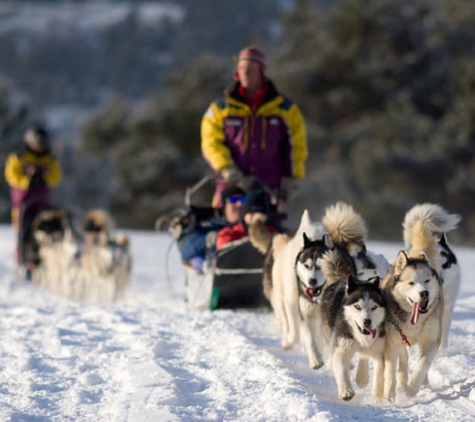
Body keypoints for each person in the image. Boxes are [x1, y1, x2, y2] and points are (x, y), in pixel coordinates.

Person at [201, 45, 308, 208]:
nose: (245, 72)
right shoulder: (220, 108)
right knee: (226, 232)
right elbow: (210, 143)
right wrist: (227, 169)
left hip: (268, 190)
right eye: (242, 67)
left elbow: (296, 146)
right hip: (231, 189)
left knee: (266, 232)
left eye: (250, 68)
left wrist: (294, 178)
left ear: (262, 72)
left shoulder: (285, 109)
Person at [4, 124, 63, 268]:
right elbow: (11, 175)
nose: (40, 148)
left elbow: (56, 176)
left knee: (48, 228)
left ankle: (46, 261)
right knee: (24, 230)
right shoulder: (19, 156)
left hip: (43, 202)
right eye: (38, 145)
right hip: (23, 203)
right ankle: (24, 261)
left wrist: (44, 178)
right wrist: (27, 180)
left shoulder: (50, 158)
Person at [175, 185, 246, 273]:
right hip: (214, 275)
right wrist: (208, 240)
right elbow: (185, 249)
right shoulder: (209, 221)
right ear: (224, 204)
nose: (239, 204)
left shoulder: (250, 223)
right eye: (234, 200)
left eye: (243, 200)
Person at [216, 182, 280, 250]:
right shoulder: (227, 234)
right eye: (233, 200)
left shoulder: (272, 232)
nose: (239, 203)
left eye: (242, 199)